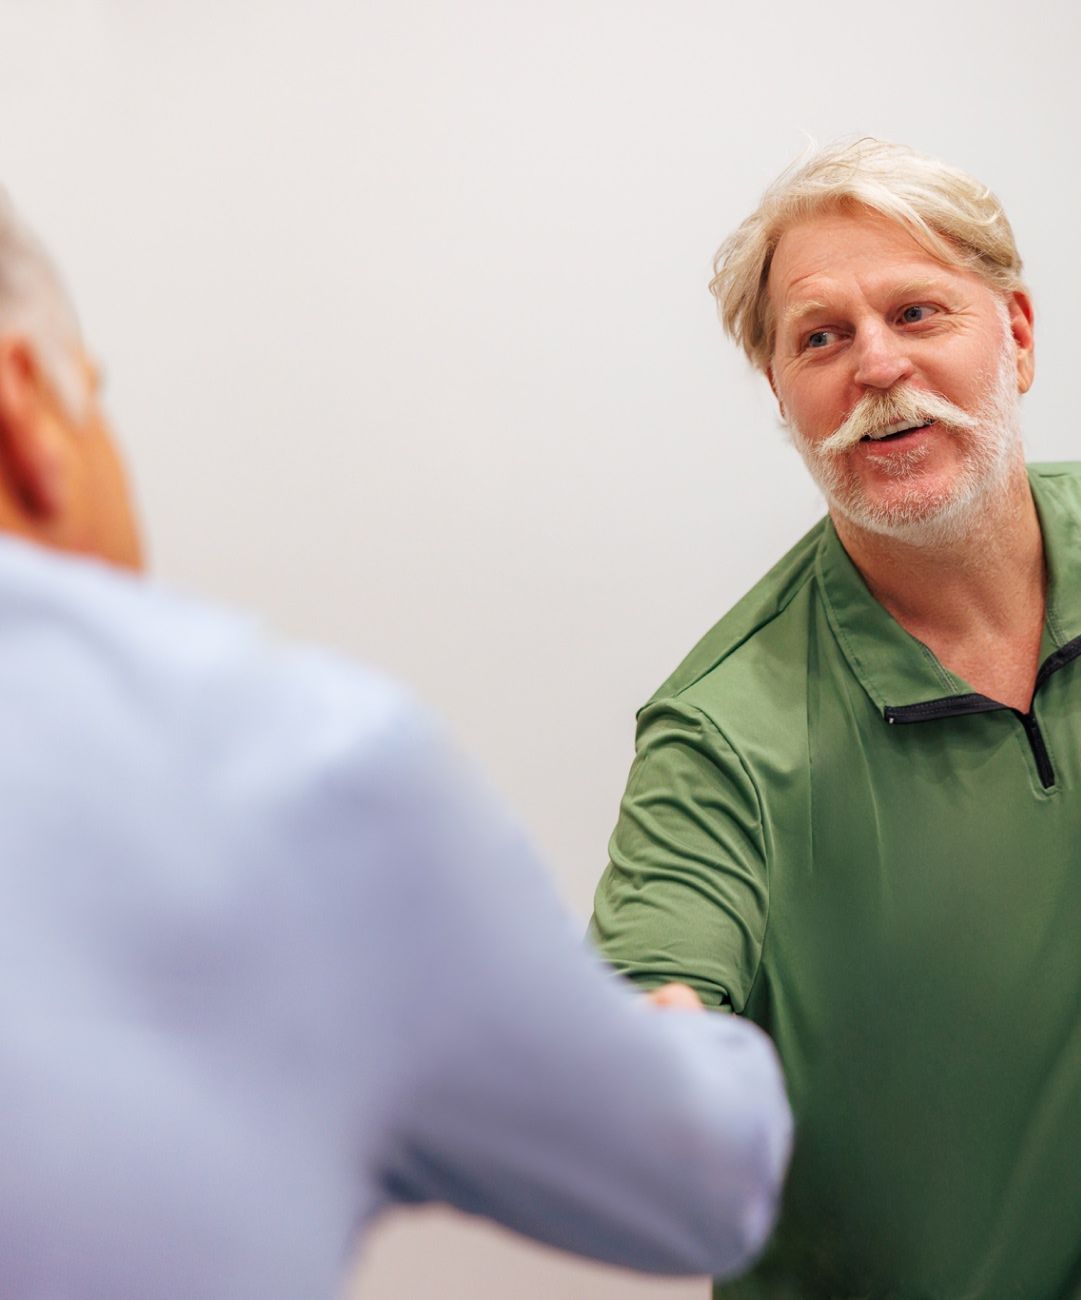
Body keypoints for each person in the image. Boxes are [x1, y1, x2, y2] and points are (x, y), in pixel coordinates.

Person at [592, 139, 1081, 1299]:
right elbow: (651, 972)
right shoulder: (724, 731)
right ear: (782, 395)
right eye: (821, 337)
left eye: (918, 311)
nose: (876, 366)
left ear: (1017, 334)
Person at [0, 190, 791, 1299]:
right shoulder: (295, 773)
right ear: (28, 408)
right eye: (101, 398)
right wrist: (687, 1043)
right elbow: (706, 1177)